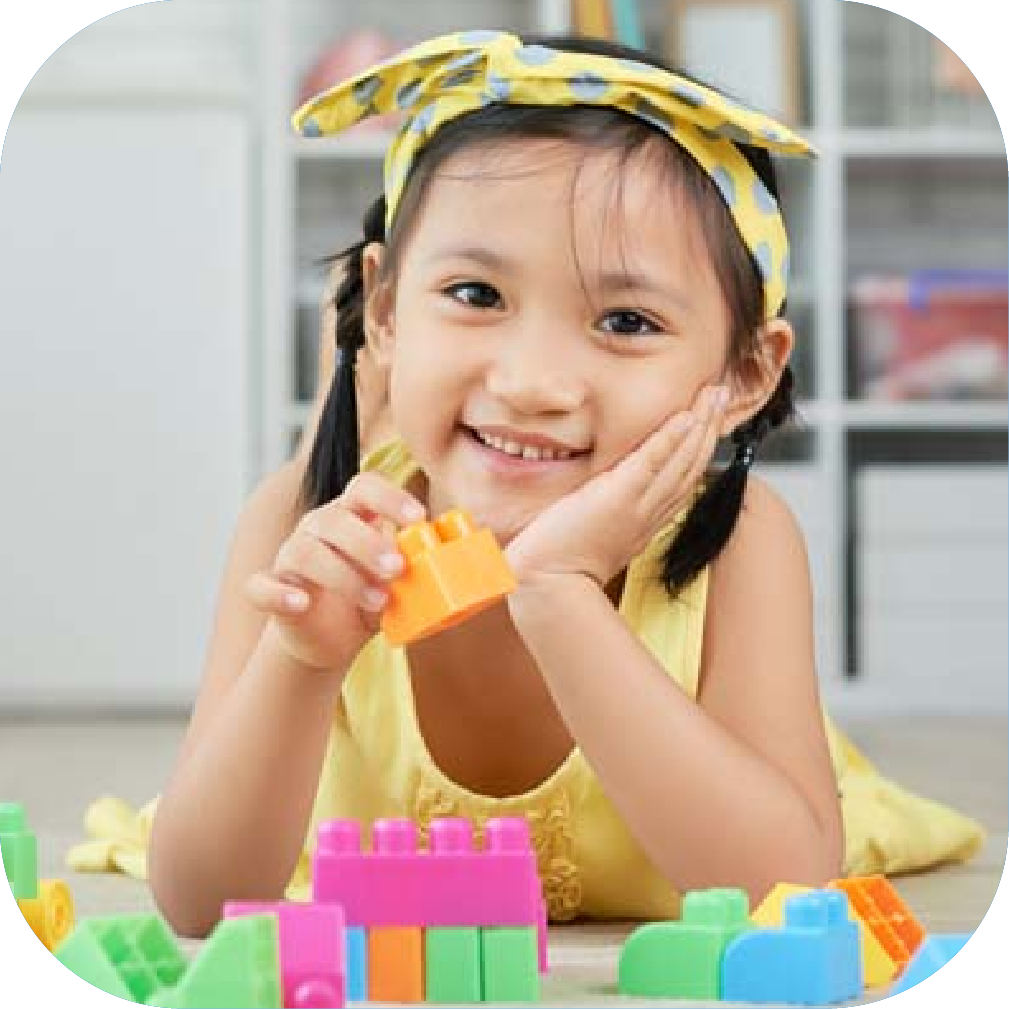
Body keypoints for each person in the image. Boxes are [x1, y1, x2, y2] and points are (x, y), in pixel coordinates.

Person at [132, 30, 983, 937]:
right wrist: (300, 663)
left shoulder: (740, 541)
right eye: (474, 294)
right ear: (382, 309)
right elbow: (200, 901)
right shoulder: (300, 530)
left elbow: (778, 892)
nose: (532, 381)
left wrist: (560, 595)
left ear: (742, 374)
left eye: (625, 319)